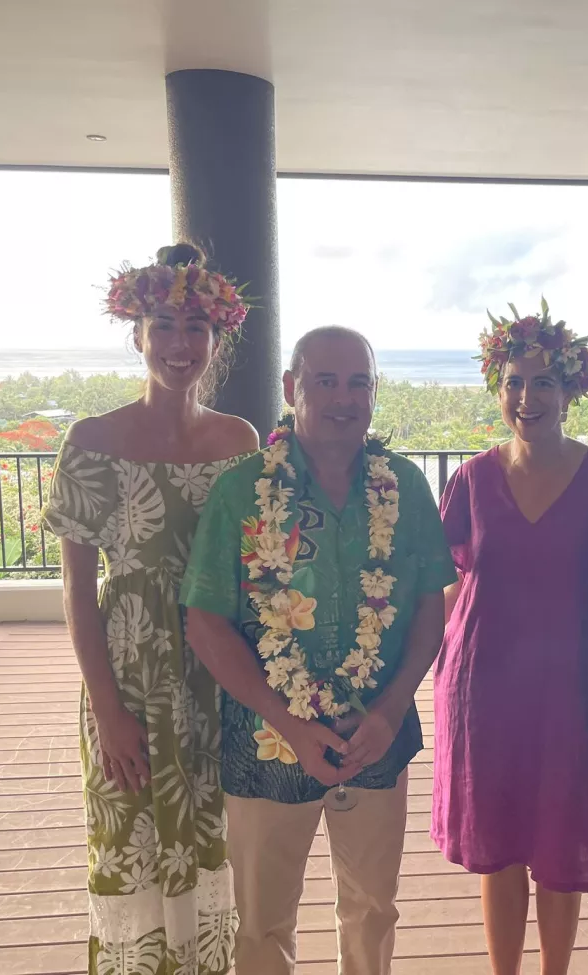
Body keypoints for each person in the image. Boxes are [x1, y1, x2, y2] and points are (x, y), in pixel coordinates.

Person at [180, 325, 456, 975]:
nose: (343, 397)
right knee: (262, 922)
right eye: (325, 381)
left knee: (372, 908)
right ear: (290, 389)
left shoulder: (405, 488)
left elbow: (426, 606)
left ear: (373, 393)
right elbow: (206, 621)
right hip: (268, 740)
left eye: (358, 381)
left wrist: (389, 711)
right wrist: (291, 723)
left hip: (376, 735)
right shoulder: (243, 491)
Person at [43, 243, 256, 974]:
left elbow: (249, 569)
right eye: (164, 325)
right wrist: (108, 708)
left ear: (216, 340)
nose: (179, 344)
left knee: (208, 839)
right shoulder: (92, 440)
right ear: (138, 332)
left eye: (196, 329)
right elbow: (76, 588)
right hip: (127, 672)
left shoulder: (238, 442)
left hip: (213, 674)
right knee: (129, 840)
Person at [433, 303, 588, 975]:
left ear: (571, 389)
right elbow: (446, 585)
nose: (529, 397)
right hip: (483, 688)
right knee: (499, 848)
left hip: (571, 690)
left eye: (544, 382)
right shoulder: (470, 478)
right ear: (499, 388)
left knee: (558, 844)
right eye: (515, 381)